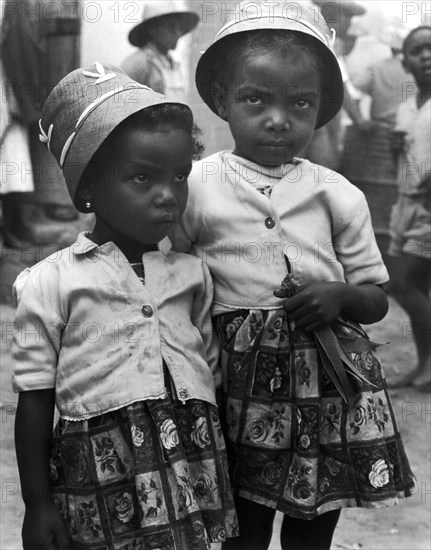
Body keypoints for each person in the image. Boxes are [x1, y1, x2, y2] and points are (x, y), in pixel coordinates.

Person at [170, 3, 416, 549]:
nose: (278, 119)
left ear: (321, 110)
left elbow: (376, 299)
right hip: (239, 386)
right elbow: (180, 283)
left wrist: (341, 295)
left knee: (315, 513)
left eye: (299, 103)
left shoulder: (337, 193)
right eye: (255, 99)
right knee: (245, 513)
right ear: (221, 101)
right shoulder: (198, 186)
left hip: (330, 382)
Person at [12, 63, 238, 549]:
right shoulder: (51, 282)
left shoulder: (191, 275)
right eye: (142, 178)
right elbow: (33, 399)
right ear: (88, 189)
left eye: (179, 177)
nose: (168, 197)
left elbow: (210, 377)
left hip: (191, 468)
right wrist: (37, 505)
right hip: (98, 477)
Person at [387, 26, 431, 391]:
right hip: (407, 205)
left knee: (400, 281)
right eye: (418, 50)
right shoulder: (406, 108)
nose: (427, 55)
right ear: (406, 61)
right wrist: (393, 147)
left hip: (430, 210)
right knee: (419, 285)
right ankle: (424, 366)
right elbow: (399, 165)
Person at [122, 0, 199, 101]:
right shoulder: (138, 63)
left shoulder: (172, 64)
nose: (178, 33)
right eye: (171, 28)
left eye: (180, 28)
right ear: (152, 29)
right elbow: (122, 103)